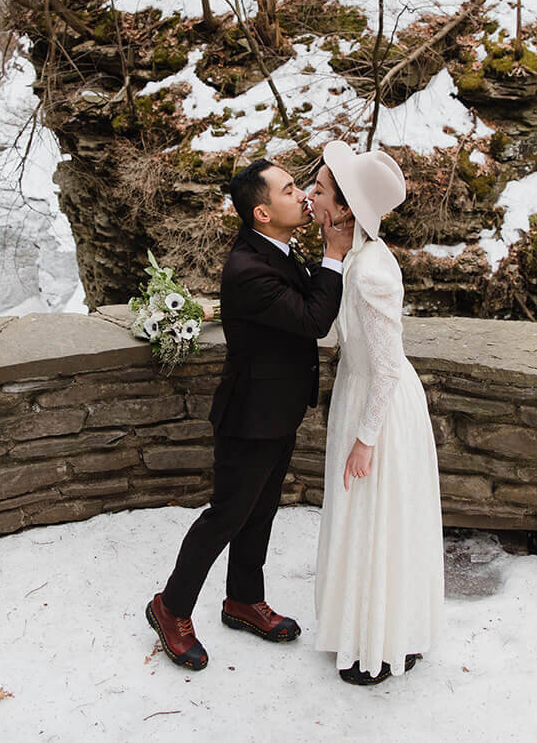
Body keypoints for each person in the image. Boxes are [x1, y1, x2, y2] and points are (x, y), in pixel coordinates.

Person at [146, 158, 352, 671]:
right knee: (226, 515)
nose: (302, 193)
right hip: (248, 416)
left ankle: (242, 598)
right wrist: (334, 255)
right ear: (262, 212)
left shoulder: (277, 248)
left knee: (260, 512)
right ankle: (170, 608)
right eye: (288, 189)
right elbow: (312, 320)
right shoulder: (247, 269)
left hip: (278, 409)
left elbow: (304, 300)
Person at [309, 140, 444, 686]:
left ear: (343, 209)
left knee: (380, 519)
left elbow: (388, 367)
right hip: (357, 391)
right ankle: (365, 628)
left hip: (380, 408)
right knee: (364, 518)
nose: (311, 196)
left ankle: (384, 643)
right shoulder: (355, 258)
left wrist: (366, 438)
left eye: (319, 190)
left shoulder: (371, 273)